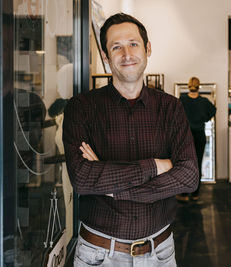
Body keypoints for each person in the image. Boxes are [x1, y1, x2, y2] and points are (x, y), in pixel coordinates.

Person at [62, 13, 198, 266]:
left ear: (147, 49)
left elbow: (189, 176)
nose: (126, 54)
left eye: (133, 44)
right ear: (105, 56)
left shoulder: (171, 107)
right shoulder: (81, 108)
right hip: (98, 255)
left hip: (160, 254)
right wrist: (156, 166)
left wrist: (114, 189)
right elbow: (82, 179)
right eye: (116, 47)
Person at [176, 77, 216, 202]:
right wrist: (203, 118)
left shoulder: (182, 100)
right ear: (199, 87)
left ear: (188, 86)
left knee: (184, 164)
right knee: (197, 163)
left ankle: (183, 194)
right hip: (199, 135)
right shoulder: (204, 101)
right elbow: (213, 111)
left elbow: (176, 115)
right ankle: (195, 194)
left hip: (185, 136)